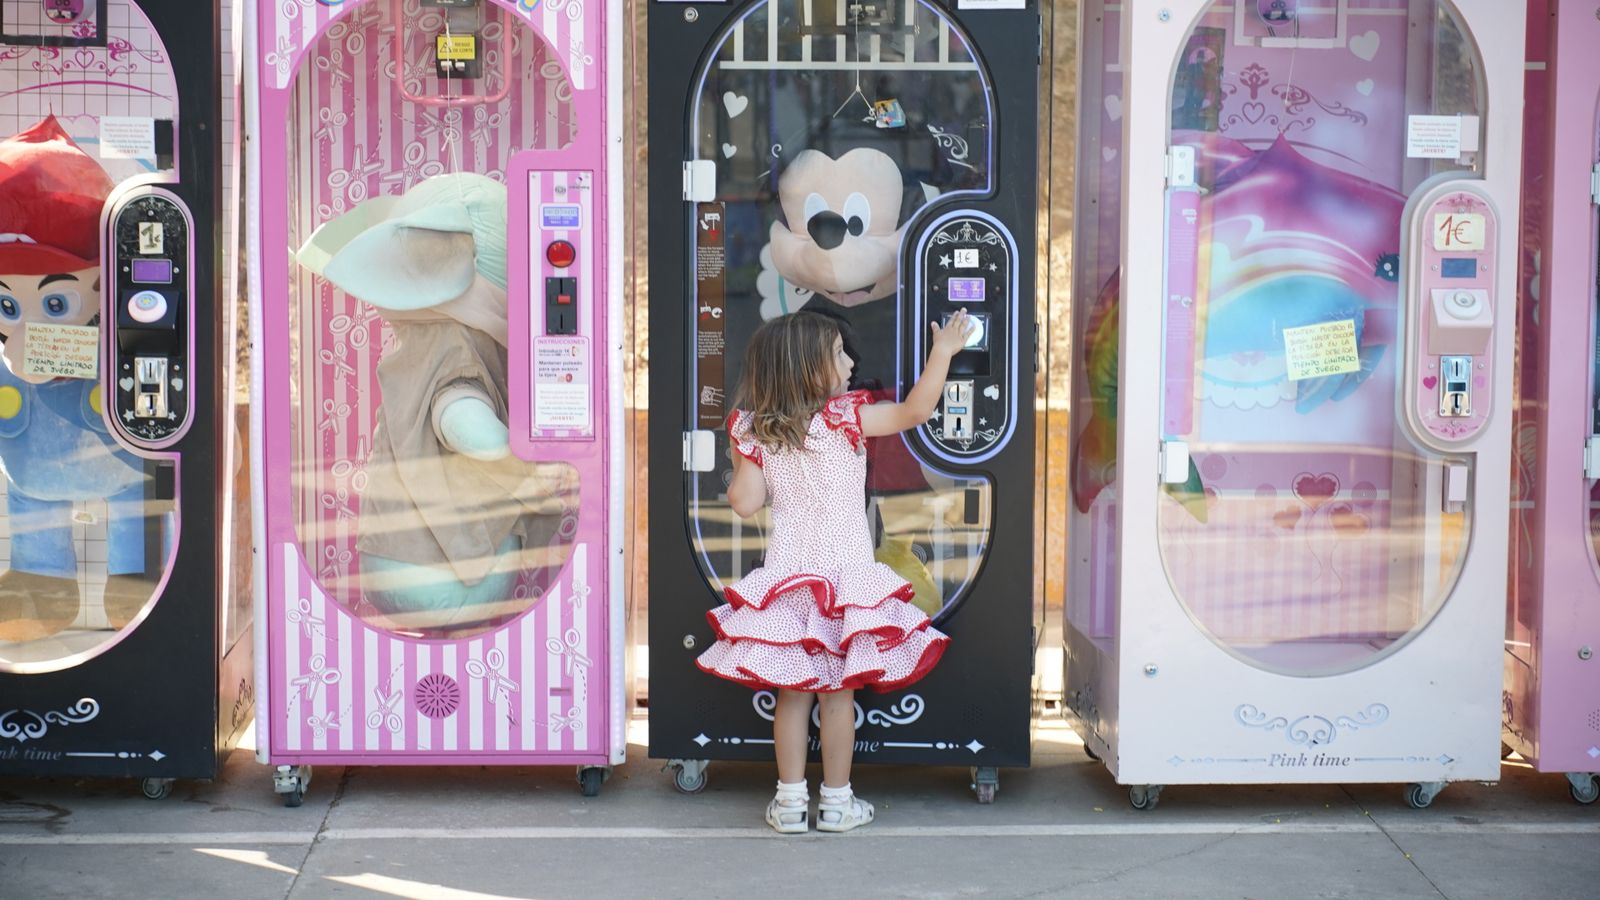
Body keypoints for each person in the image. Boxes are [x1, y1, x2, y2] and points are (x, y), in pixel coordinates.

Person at [696, 307, 975, 834]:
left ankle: (789, 802)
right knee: (838, 695)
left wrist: (742, 468)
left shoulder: (754, 429)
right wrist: (942, 352)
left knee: (793, 695)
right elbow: (915, 412)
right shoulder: (845, 416)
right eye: (838, 355)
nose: (849, 362)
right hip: (846, 580)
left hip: (788, 580)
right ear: (808, 368)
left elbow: (744, 503)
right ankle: (838, 802)